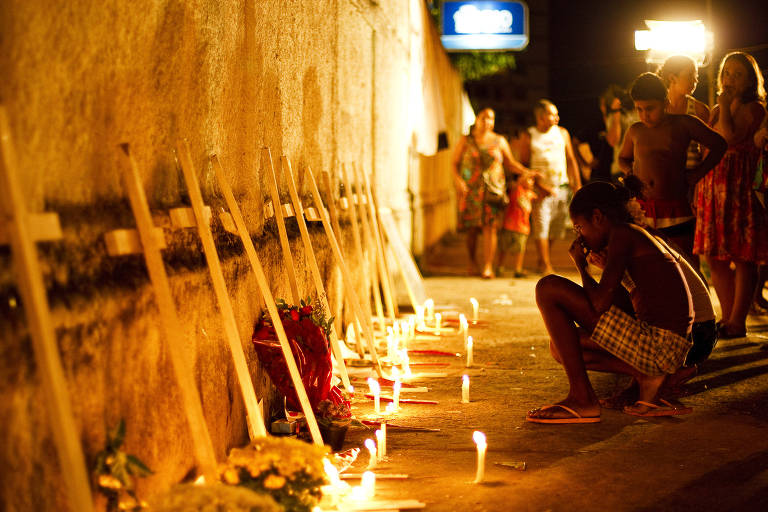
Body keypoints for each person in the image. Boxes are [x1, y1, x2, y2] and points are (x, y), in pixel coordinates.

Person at [527, 182, 694, 423]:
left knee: (548, 288)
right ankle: (645, 376)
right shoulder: (633, 235)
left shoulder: (623, 234)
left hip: (660, 346)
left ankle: (582, 399)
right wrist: (604, 269)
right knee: (561, 347)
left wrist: (581, 267)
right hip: (668, 349)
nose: (579, 236)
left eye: (579, 228)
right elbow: (621, 305)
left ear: (597, 217)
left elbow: (599, 304)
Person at [694, 52, 768, 339]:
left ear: (751, 79)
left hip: (738, 188)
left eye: (738, 74)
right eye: (727, 73)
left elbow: (728, 138)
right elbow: (706, 146)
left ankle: (738, 320)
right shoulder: (717, 108)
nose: (730, 79)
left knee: (742, 255)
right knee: (715, 257)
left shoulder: (755, 108)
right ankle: (727, 319)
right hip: (713, 187)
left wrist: (724, 106)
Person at [618, 72, 727, 265]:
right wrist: (629, 173)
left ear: (665, 101)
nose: (645, 115)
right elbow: (623, 158)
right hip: (644, 211)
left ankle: (694, 296)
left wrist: (697, 174)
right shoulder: (635, 130)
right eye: (639, 109)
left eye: (650, 108)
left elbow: (719, 144)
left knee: (686, 264)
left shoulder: (683, 124)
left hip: (677, 209)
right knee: (648, 264)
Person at [452, 108, 529, 279]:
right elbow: (454, 163)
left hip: (492, 190)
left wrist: (527, 171)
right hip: (471, 191)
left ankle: (488, 266)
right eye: (484, 118)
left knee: (491, 227)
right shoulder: (466, 140)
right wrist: (458, 181)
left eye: (491, 118)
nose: (487, 122)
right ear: (477, 120)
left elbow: (510, 163)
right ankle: (472, 262)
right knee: (471, 229)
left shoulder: (499, 141)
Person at [518, 99, 582, 275]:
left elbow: (570, 160)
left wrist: (577, 185)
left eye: (556, 113)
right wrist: (538, 185)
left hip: (561, 187)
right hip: (540, 190)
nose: (557, 117)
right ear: (540, 117)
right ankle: (545, 264)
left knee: (557, 227)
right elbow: (523, 164)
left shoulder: (562, 133)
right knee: (542, 225)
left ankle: (542, 259)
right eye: (552, 114)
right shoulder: (529, 135)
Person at [496, 172, 537, 278]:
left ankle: (517, 269)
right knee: (503, 248)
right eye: (529, 179)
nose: (531, 182)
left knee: (520, 250)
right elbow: (519, 182)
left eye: (533, 180)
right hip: (509, 225)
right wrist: (527, 173)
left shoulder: (530, 194)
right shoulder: (517, 190)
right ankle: (499, 267)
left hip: (523, 227)